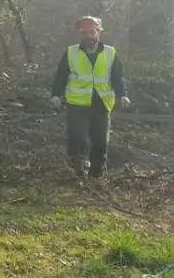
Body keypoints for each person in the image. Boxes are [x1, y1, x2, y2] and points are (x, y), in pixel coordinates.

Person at [49, 15, 130, 178]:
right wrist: (56, 95)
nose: (88, 36)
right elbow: (61, 76)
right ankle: (78, 170)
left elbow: (117, 77)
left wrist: (123, 95)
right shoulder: (71, 52)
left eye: (91, 32)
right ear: (80, 34)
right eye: (84, 33)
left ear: (98, 33)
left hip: (101, 103)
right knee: (78, 138)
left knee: (100, 142)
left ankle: (97, 175)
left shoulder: (110, 52)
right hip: (76, 104)